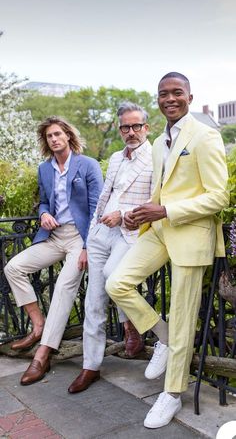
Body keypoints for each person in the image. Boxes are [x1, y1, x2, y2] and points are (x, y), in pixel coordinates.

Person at [105, 73, 229, 428]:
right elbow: (162, 191)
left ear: (190, 96)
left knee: (184, 313)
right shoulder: (159, 141)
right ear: (157, 99)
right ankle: (164, 337)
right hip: (158, 229)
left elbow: (219, 196)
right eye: (164, 94)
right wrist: (140, 214)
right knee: (117, 283)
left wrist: (168, 211)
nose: (170, 98)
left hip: (190, 235)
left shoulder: (205, 136)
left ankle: (172, 394)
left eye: (177, 93)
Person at [4, 116, 103, 385]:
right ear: (46, 141)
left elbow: (98, 210)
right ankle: (38, 325)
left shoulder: (88, 165)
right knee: (13, 267)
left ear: (68, 136)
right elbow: (44, 202)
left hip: (78, 240)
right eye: (49, 136)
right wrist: (44, 213)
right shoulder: (44, 169)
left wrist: (86, 247)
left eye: (58, 134)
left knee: (63, 288)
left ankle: (43, 355)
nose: (54, 139)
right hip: (53, 236)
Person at [67, 102, 153, 394]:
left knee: (112, 276)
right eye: (125, 127)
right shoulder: (116, 157)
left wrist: (124, 213)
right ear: (120, 130)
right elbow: (103, 198)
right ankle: (90, 366)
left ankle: (133, 325)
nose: (131, 132)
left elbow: (155, 200)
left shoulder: (156, 158)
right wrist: (89, 239)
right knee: (93, 302)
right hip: (101, 233)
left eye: (136, 126)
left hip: (129, 234)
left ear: (146, 127)